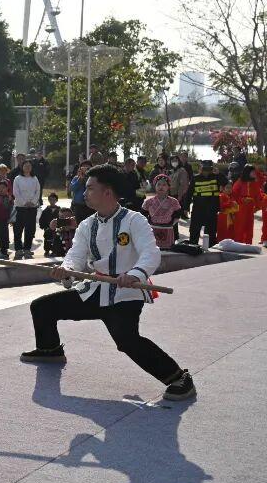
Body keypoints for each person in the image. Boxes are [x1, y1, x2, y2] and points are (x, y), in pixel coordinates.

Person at [21, 164, 196, 401]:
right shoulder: (86, 224)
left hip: (126, 294)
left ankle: (179, 378)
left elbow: (150, 253)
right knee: (42, 307)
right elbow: (76, 255)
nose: (84, 193)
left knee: (126, 341)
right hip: (94, 289)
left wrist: (134, 274)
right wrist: (68, 269)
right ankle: (50, 349)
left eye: (90, 188)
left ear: (108, 192)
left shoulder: (134, 220)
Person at [141, 175, 181, 249]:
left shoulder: (174, 202)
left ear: (168, 187)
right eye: (158, 184)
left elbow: (177, 216)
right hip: (152, 231)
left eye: (164, 185)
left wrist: (170, 225)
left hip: (168, 231)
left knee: (167, 254)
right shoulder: (148, 202)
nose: (161, 187)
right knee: (153, 252)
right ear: (155, 186)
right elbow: (143, 216)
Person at [11, 159, 41, 259]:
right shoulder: (17, 179)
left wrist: (32, 202)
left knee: (30, 229)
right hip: (20, 207)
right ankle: (19, 249)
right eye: (25, 165)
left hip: (32, 208)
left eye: (29, 166)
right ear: (22, 167)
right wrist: (24, 202)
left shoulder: (35, 178)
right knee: (18, 229)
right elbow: (16, 193)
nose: (28, 167)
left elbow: (38, 192)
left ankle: (27, 249)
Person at [187, 160, 220, 246]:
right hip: (198, 210)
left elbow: (226, 183)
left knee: (211, 234)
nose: (206, 172)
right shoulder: (195, 178)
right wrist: (186, 207)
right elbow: (189, 193)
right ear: (200, 169)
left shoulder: (216, 177)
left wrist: (219, 174)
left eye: (208, 169)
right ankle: (193, 248)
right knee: (194, 232)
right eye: (204, 169)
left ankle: (211, 250)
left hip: (212, 210)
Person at [231, 164, 262, 244]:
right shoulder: (239, 182)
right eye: (252, 172)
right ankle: (238, 244)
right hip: (240, 208)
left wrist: (257, 207)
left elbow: (258, 196)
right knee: (240, 226)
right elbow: (233, 195)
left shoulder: (255, 183)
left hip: (250, 208)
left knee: (249, 226)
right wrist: (242, 200)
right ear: (247, 172)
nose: (254, 173)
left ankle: (248, 244)